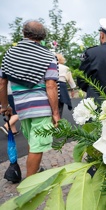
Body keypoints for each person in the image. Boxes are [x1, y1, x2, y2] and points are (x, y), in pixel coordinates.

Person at [0, 20, 60, 177]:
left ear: (24, 33)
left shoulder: (10, 54)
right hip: (41, 107)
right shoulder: (48, 56)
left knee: (32, 141)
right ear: (42, 36)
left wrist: (5, 105)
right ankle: (29, 186)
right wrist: (55, 113)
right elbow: (51, 85)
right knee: (37, 146)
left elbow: (2, 82)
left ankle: (36, 170)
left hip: (21, 107)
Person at [55, 53, 76, 117]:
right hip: (62, 87)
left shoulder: (51, 66)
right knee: (60, 107)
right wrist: (72, 89)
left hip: (52, 86)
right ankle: (59, 122)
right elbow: (70, 80)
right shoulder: (66, 68)